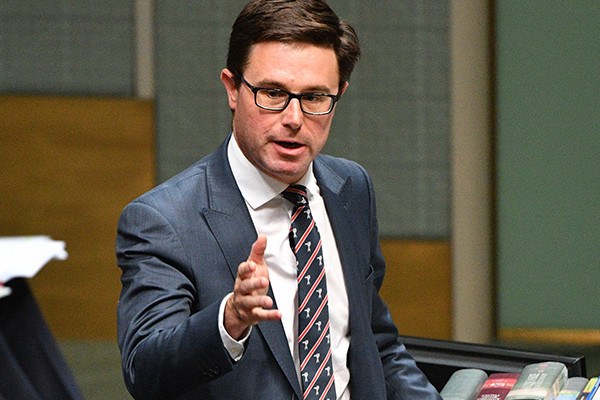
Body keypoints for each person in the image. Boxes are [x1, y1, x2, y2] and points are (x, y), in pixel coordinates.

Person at [116, 1, 442, 399]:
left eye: (315, 97)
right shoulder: (164, 219)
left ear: (338, 94)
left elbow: (375, 345)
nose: (294, 118)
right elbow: (144, 370)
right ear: (232, 88)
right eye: (272, 93)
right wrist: (229, 319)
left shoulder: (351, 188)